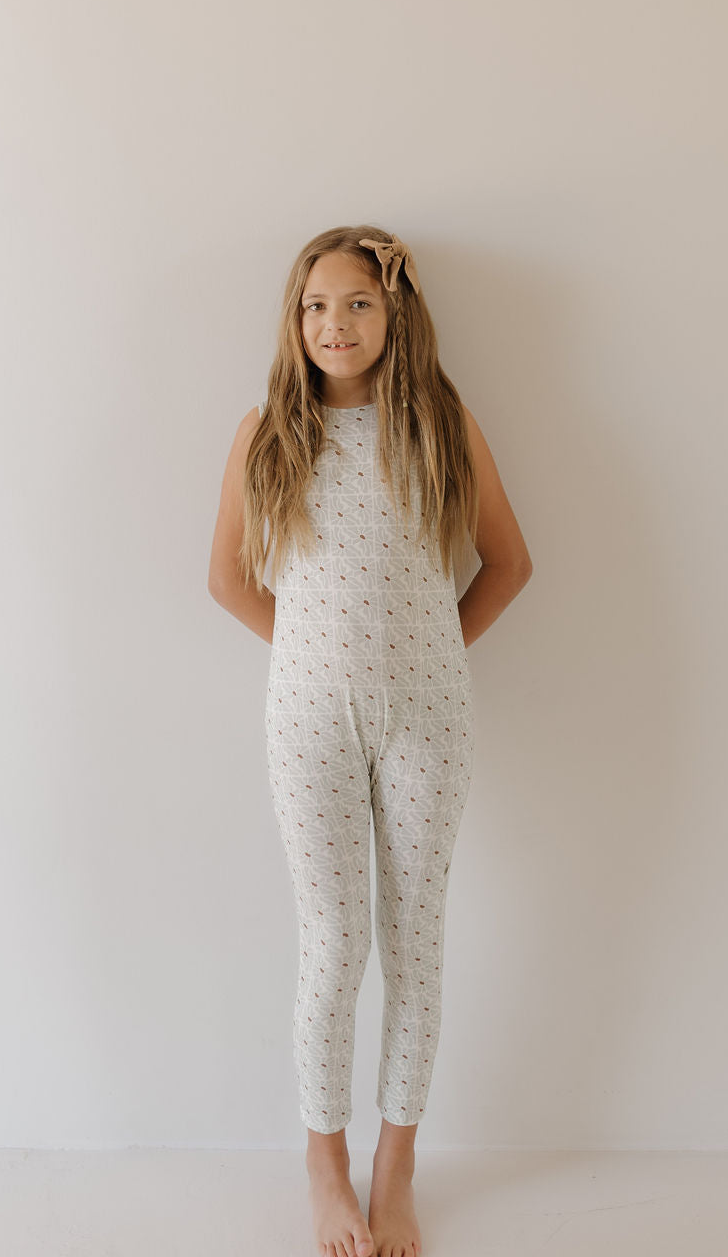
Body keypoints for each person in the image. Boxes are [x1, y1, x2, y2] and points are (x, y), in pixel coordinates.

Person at [208, 225, 532, 1257]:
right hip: (307, 719)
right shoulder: (268, 431)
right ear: (292, 323)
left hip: (428, 718)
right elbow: (227, 580)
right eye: (314, 307)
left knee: (414, 940)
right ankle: (324, 1159)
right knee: (335, 939)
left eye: (356, 302)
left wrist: (431, 653)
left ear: (394, 314)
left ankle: (398, 1163)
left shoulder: (437, 424)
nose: (333, 324)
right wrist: (313, 653)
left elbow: (507, 563)